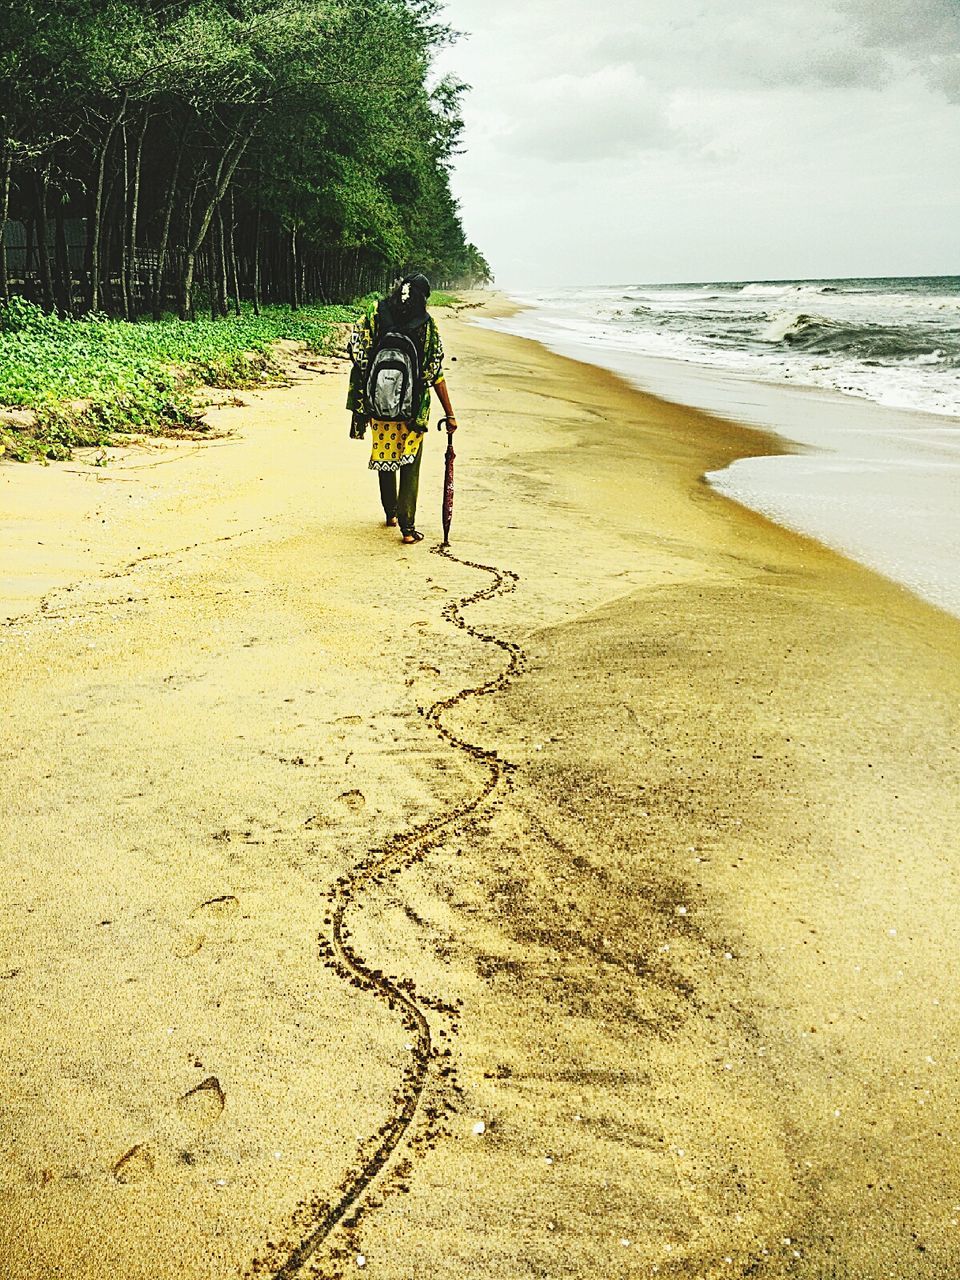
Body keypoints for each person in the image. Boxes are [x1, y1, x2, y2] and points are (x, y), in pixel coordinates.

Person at [346, 272, 458, 544]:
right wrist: (449, 412)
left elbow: (356, 349)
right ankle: (408, 529)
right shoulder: (427, 325)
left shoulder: (376, 312)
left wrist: (378, 385)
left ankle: (391, 513)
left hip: (379, 404)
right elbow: (434, 372)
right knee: (410, 463)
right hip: (411, 407)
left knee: (385, 455)